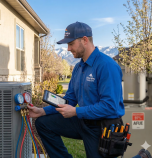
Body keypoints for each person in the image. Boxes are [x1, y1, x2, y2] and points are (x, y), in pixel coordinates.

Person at [27, 21, 126, 158]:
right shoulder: (79, 68)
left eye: (71, 44)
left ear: (84, 40)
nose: (68, 49)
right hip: (83, 121)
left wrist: (75, 111)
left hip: (103, 127)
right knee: (43, 123)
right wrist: (42, 111)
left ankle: (142, 156)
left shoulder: (106, 66)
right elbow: (70, 100)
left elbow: (110, 107)